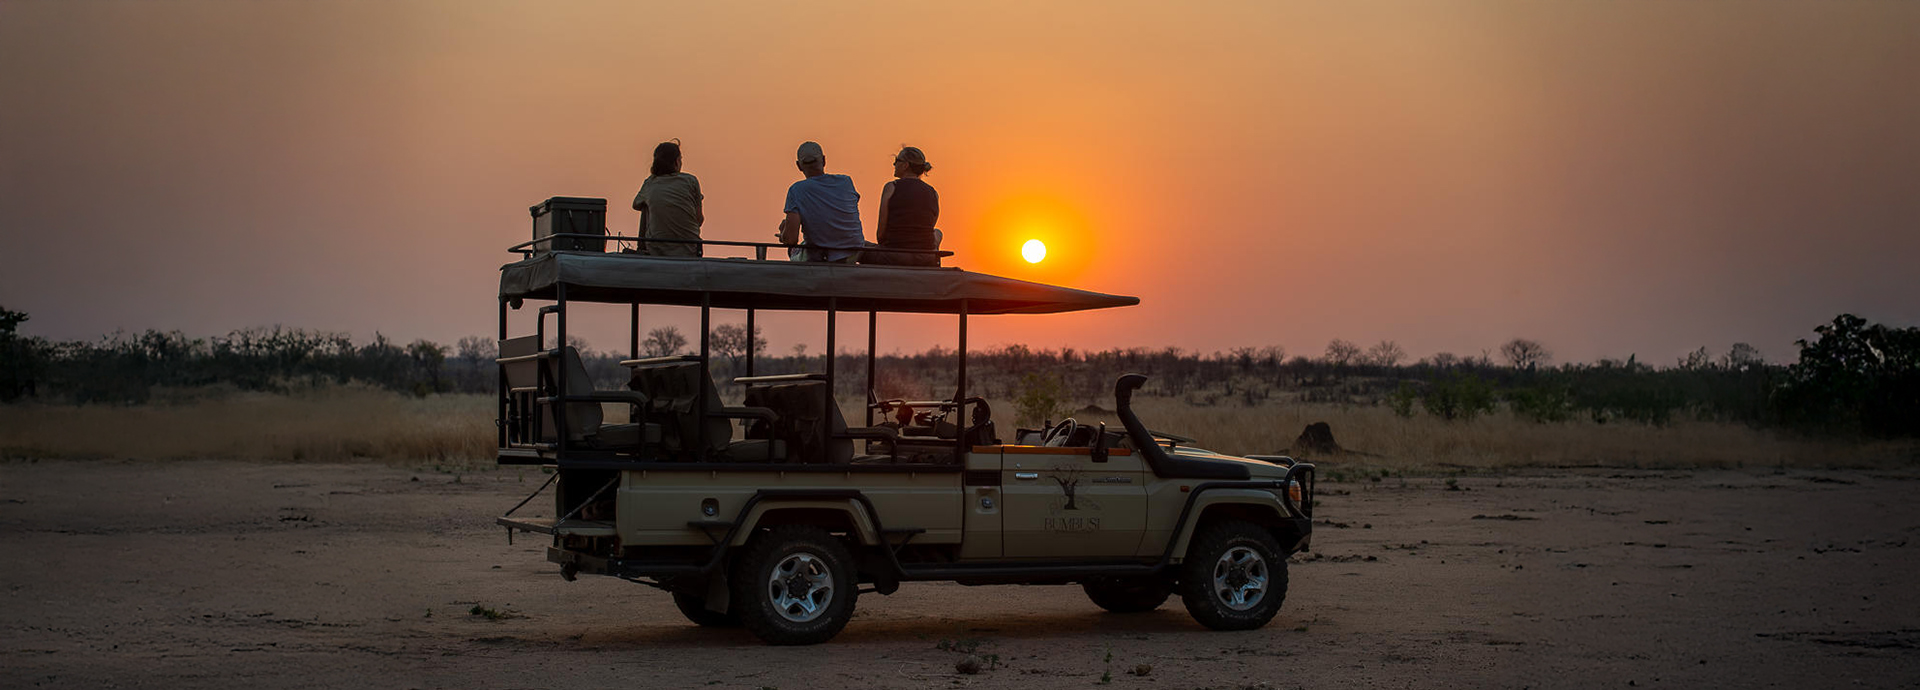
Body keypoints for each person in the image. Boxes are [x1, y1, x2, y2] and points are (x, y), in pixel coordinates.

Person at [778, 141, 865, 262]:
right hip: (854, 253)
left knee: (793, 251)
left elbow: (791, 240)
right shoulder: (846, 182)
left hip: (825, 257)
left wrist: (784, 232)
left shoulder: (796, 190)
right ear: (824, 160)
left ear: (799, 166)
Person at [860, 146, 941, 267]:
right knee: (938, 233)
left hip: (894, 255)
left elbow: (881, 235)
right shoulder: (933, 193)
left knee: (858, 244)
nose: (894, 164)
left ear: (905, 165)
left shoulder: (891, 187)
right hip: (925, 257)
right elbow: (930, 226)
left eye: (897, 160)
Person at [632, 140, 704, 257]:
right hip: (689, 249)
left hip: (657, 249)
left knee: (645, 205)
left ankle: (641, 249)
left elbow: (636, 204)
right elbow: (699, 220)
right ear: (676, 162)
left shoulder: (650, 183)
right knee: (646, 204)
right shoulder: (691, 181)